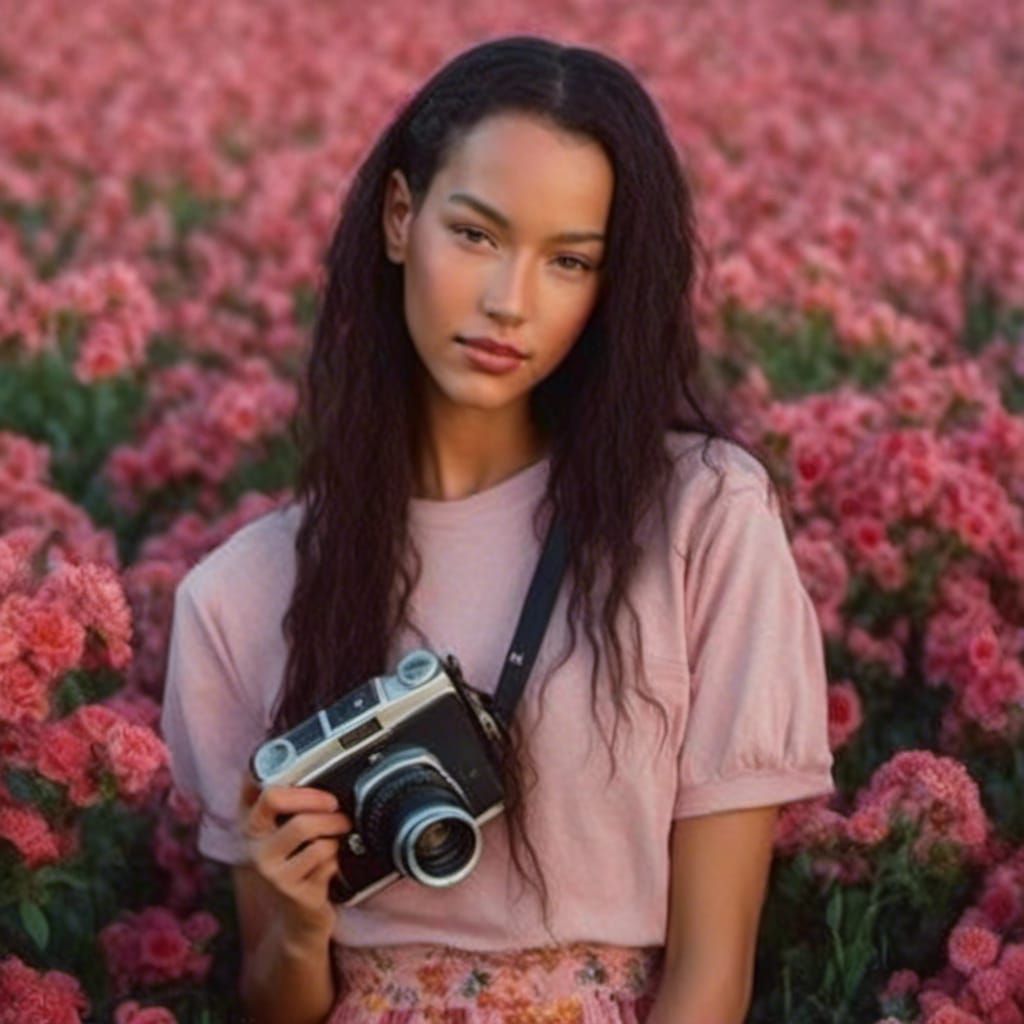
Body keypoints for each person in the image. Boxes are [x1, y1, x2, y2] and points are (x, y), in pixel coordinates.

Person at [159, 34, 836, 1024]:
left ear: (608, 286)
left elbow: (710, 975)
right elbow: (277, 1005)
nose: (508, 302)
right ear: (401, 217)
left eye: (569, 261)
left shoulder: (700, 516)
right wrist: (299, 929)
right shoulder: (239, 595)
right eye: (475, 234)